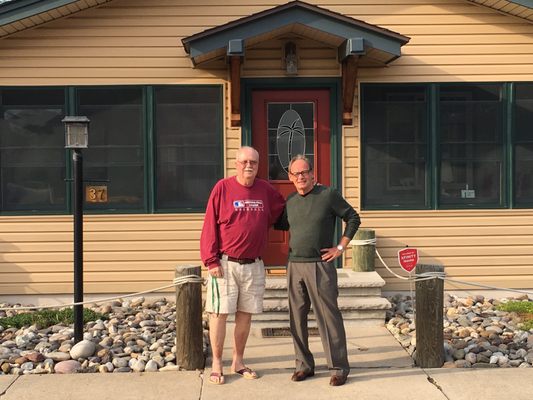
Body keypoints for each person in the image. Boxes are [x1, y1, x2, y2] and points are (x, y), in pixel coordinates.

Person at [200, 146, 285, 385]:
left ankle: (238, 361)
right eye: (244, 162)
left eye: (254, 162)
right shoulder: (222, 188)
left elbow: (286, 212)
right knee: (219, 314)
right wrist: (211, 260)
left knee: (245, 316)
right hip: (225, 265)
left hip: (255, 266)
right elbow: (209, 226)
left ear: (258, 165)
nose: (249, 166)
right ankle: (217, 362)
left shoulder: (266, 190)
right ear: (236, 163)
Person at [276, 154, 360, 387]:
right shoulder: (290, 201)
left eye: (304, 172)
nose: (301, 177)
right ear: (290, 177)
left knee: (328, 318)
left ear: (313, 174)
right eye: (296, 173)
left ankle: (338, 368)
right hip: (295, 265)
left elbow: (353, 218)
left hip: (320, 265)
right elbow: (279, 223)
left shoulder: (328, 195)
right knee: (297, 318)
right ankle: (303, 365)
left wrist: (340, 247)